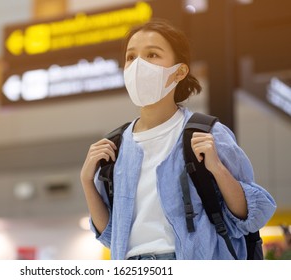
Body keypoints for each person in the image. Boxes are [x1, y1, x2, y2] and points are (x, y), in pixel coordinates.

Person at [80, 18, 276, 260]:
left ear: (179, 72)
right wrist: (87, 182)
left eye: (152, 55)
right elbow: (111, 236)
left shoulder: (207, 133)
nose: (139, 65)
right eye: (131, 58)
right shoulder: (116, 146)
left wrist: (216, 168)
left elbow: (250, 216)